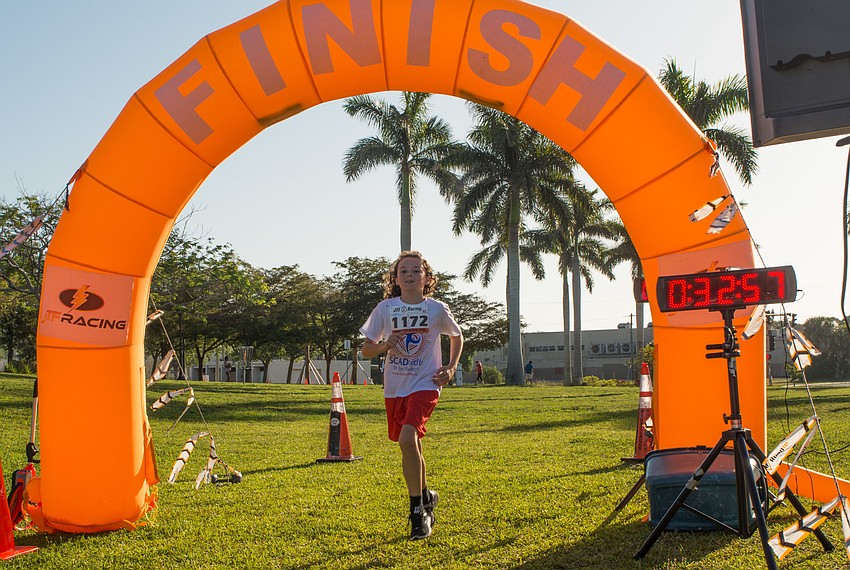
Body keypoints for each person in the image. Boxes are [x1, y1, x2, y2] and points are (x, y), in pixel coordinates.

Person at [360, 251, 463, 541]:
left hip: (426, 384)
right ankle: (427, 495)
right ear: (395, 278)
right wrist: (385, 345)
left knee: (408, 438)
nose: (409, 275)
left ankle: (418, 514)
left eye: (416, 271)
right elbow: (367, 349)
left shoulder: (436, 309)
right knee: (411, 443)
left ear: (427, 278)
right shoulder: (385, 308)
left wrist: (451, 367)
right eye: (403, 271)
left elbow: (456, 335)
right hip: (395, 387)